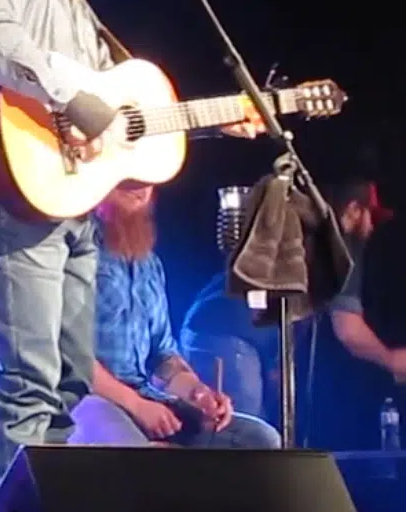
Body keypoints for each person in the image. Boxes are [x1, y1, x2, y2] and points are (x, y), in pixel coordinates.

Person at [0, 0, 260, 510]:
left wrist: (214, 119)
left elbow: (120, 121)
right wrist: (81, 102)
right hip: (15, 198)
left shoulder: (81, 7)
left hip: (70, 209)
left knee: (62, 387)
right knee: (28, 383)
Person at [179, 179, 406, 432]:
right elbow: (348, 329)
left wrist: (277, 365)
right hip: (226, 334)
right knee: (243, 436)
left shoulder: (311, 234)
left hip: (217, 331)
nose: (371, 229)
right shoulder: (339, 248)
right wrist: (392, 360)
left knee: (257, 435)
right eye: (372, 218)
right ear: (353, 210)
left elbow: (296, 310)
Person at [71, 185, 282, 448]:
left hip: (144, 396)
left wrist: (198, 393)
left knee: (260, 440)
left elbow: (162, 355)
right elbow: (71, 356)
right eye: (130, 178)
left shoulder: (150, 264)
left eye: (149, 180)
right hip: (89, 397)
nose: (141, 188)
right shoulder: (76, 253)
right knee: (138, 455)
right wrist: (137, 405)